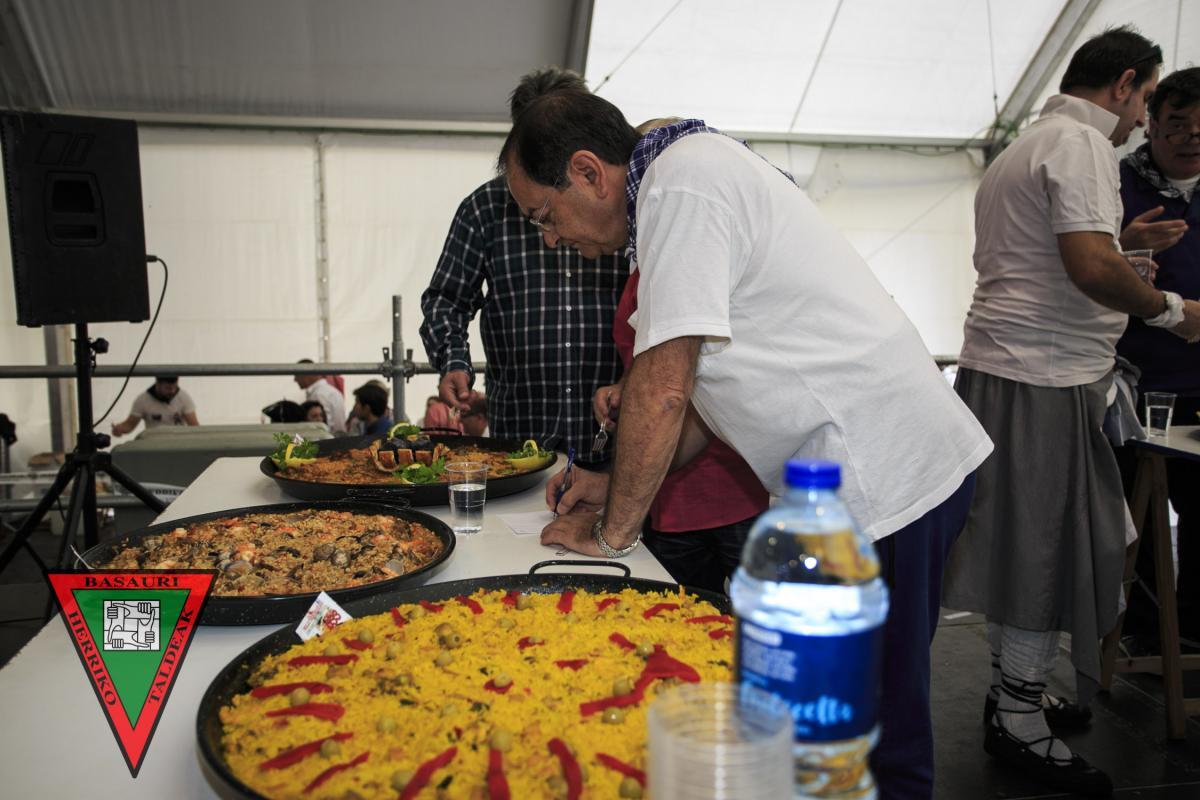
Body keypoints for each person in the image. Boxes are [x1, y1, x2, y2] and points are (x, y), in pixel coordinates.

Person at [503, 91, 991, 800]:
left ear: (588, 172)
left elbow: (664, 389)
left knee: (873, 721)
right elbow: (703, 409)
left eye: (545, 216)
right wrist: (611, 486)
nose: (550, 239)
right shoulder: (682, 178)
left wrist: (611, 537)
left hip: (883, 474)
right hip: (860, 473)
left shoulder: (681, 183)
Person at [942, 27, 1200, 796]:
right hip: (1044, 380)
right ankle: (1018, 718)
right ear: (1124, 85)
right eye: (1147, 100)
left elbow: (1052, 257)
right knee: (1048, 551)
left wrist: (1121, 242)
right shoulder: (1083, 144)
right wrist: (1174, 311)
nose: (1142, 119)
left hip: (1006, 371)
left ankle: (1011, 694)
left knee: (1026, 544)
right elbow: (1086, 269)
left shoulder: (1027, 144)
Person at [582, 117, 769, 595]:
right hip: (664, 495)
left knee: (753, 619)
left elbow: (678, 389)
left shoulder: (692, 245)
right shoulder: (643, 266)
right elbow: (657, 369)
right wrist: (624, 390)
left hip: (728, 486)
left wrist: (611, 529)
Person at [419, 67, 626, 468]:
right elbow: (446, 299)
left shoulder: (620, 202)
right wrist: (454, 362)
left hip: (613, 436)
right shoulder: (486, 208)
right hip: (522, 439)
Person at [1114, 66, 1200, 651]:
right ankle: (1142, 632)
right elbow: (1078, 266)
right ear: (1151, 122)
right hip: (1133, 382)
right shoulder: (1115, 183)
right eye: (1178, 123)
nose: (1192, 137)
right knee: (1133, 518)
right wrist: (1122, 246)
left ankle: (1191, 631)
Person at [111, 376, 198, 436]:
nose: (172, 391)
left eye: (175, 387)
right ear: (158, 384)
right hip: (153, 445)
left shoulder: (183, 397)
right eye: (168, 388)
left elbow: (194, 427)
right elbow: (130, 425)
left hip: (178, 443)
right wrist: (119, 429)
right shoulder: (143, 400)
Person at [293, 360, 346, 433]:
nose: (295, 380)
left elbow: (322, 428)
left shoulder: (319, 395)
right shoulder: (330, 391)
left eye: (296, 375)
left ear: (305, 374)